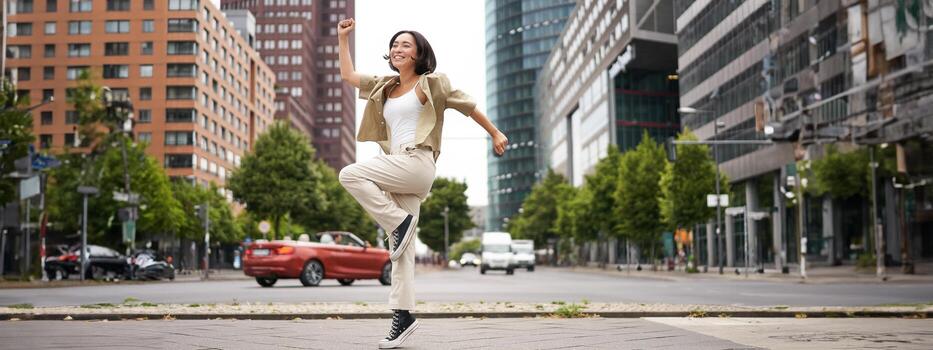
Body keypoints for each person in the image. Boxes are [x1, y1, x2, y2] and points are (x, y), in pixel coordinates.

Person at [336, 18, 508, 349]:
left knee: (350, 174)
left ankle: (397, 222)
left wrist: (495, 132)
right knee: (402, 254)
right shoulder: (384, 85)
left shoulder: (432, 84)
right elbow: (348, 76)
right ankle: (403, 317)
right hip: (396, 165)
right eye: (394, 44)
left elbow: (468, 106)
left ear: (418, 54)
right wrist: (343, 39)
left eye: (405, 45)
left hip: (417, 161)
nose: (397, 49)